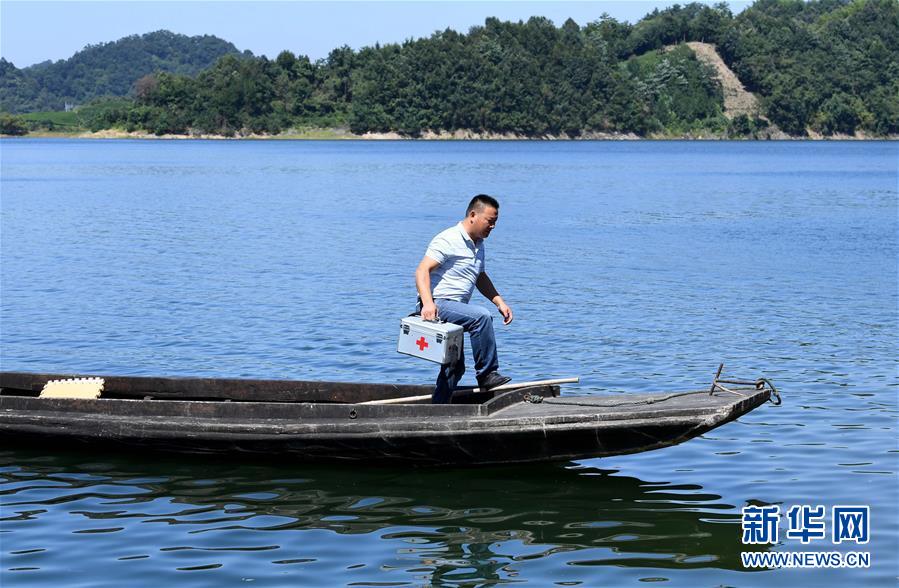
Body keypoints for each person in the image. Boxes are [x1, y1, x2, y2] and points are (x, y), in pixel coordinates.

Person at [415, 194, 514, 404]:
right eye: (490, 221)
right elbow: (422, 270)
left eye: (496, 222)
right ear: (472, 215)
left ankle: (438, 408)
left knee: (454, 366)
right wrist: (428, 303)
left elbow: (480, 276)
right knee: (481, 318)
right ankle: (487, 374)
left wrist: (499, 301)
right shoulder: (448, 239)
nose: (493, 227)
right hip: (438, 303)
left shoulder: (478, 244)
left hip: (457, 308)